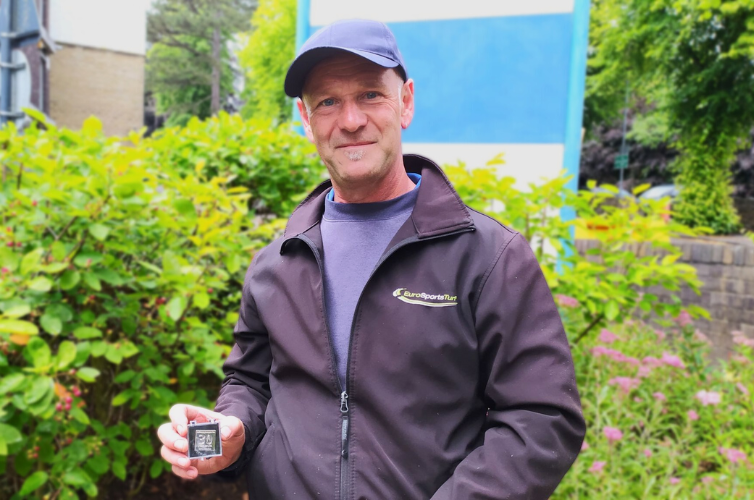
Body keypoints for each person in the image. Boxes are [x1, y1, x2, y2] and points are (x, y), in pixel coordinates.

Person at [158, 19, 586, 499]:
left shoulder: (487, 256)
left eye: (369, 95)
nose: (351, 120)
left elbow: (543, 418)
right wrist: (229, 434)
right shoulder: (278, 262)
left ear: (405, 102)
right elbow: (250, 382)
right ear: (305, 118)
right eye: (327, 102)